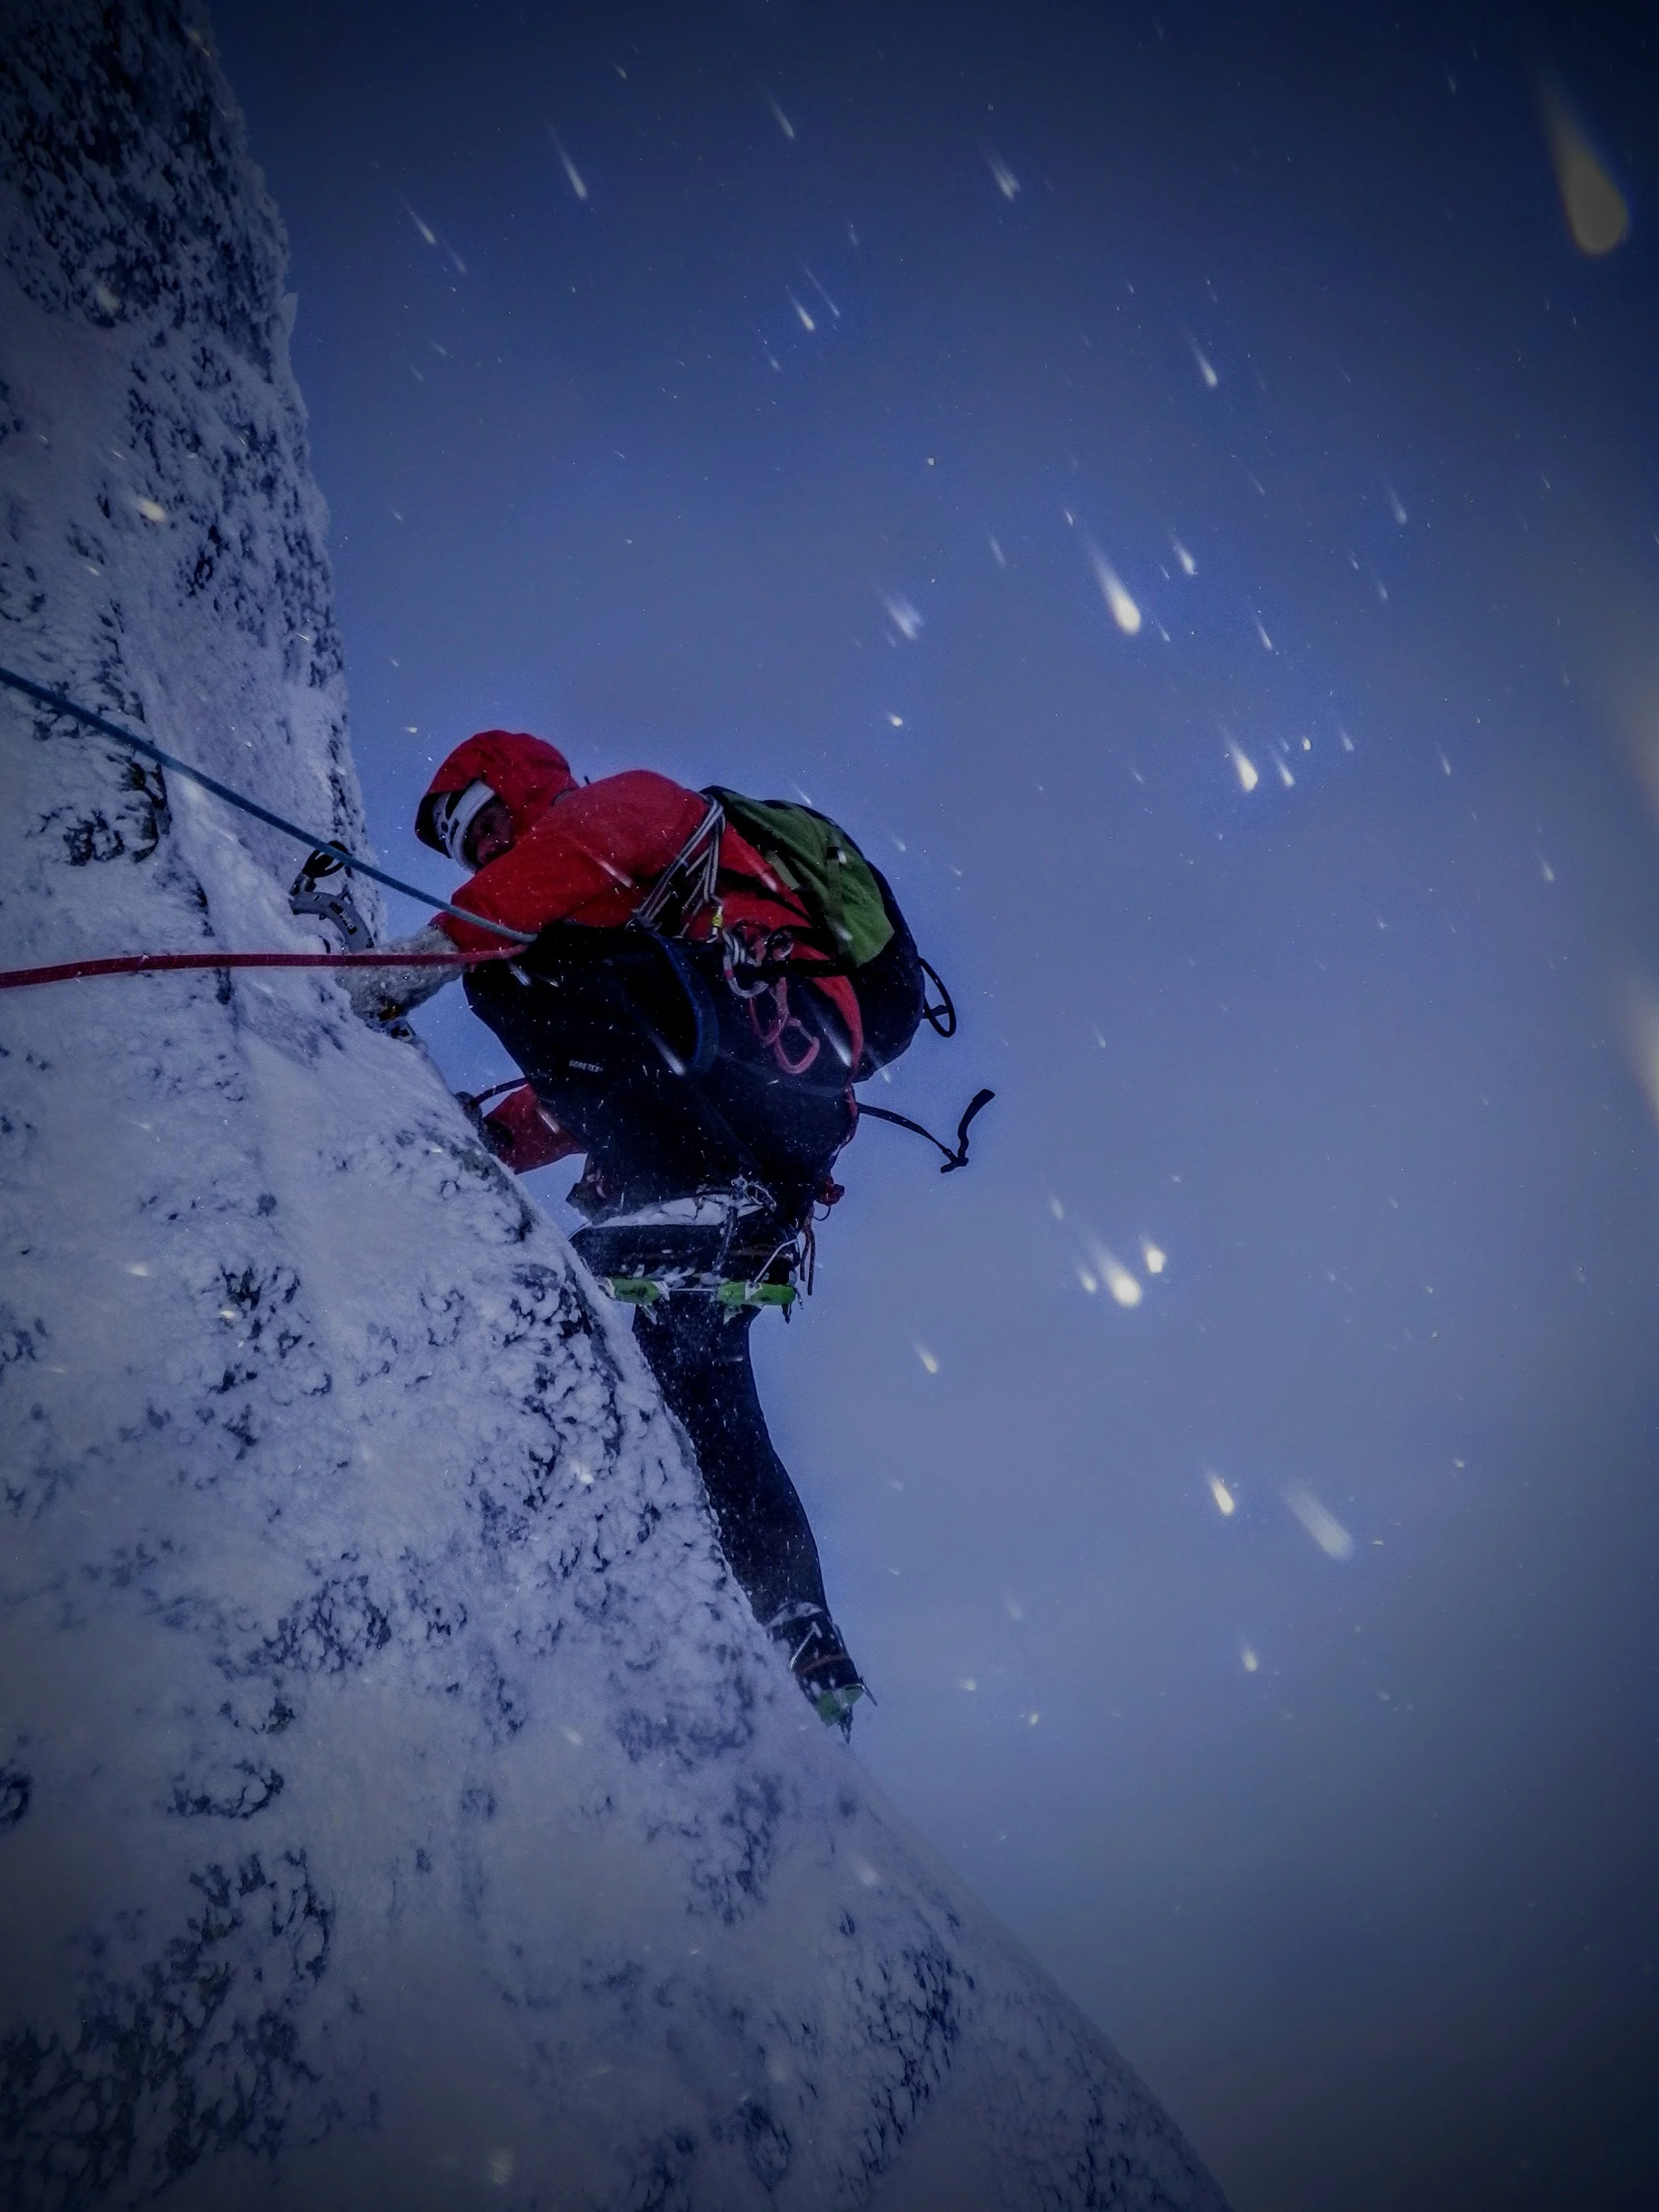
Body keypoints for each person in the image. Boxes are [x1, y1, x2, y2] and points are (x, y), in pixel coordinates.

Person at [346, 729, 930, 1731]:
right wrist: (486, 1135)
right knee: (697, 1390)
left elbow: (553, 873)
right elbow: (591, 1091)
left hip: (762, 1087)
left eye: (490, 820)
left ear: (533, 786)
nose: (487, 849)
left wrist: (416, 963)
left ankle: (711, 1209)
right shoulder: (627, 942)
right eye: (470, 844)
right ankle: (795, 1630)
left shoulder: (641, 809)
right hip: (761, 1139)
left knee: (514, 969)